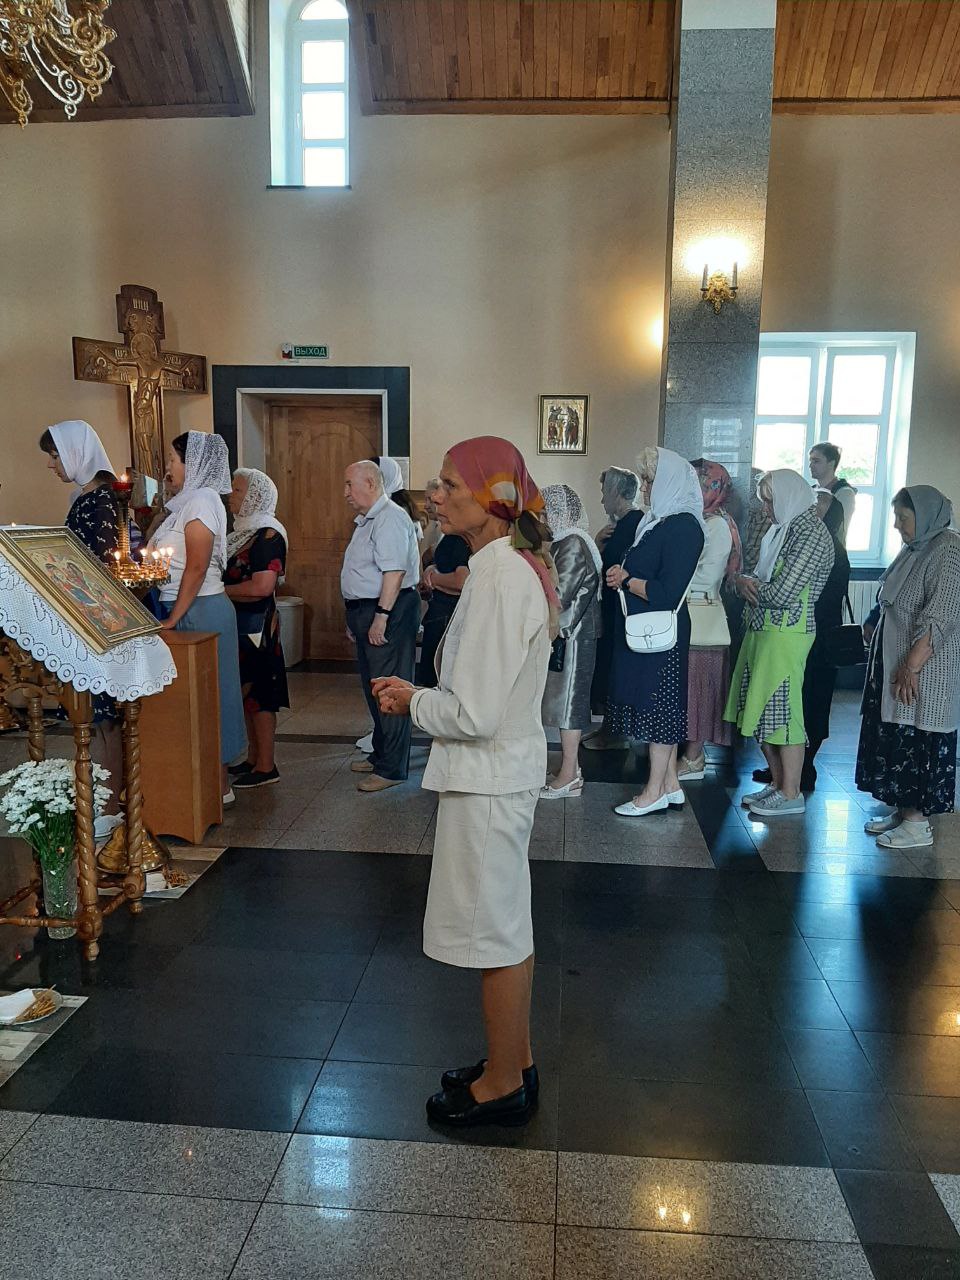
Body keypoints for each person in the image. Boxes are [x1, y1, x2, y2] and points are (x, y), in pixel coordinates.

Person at [372, 436, 557, 1128]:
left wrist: (412, 701)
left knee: (492, 935)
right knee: (505, 925)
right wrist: (424, 694)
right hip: (495, 777)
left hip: (488, 782)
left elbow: (474, 713)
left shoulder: (502, 576)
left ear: (492, 497)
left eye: (450, 484)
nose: (435, 495)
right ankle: (514, 1058)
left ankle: (504, 1084)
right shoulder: (500, 564)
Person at [856, 486, 960, 849]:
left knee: (917, 740)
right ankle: (903, 812)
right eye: (896, 517)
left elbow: (941, 616)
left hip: (924, 674)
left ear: (927, 515)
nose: (897, 525)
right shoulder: (916, 548)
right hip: (897, 667)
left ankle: (917, 824)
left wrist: (912, 666)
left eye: (904, 518)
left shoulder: (947, 549)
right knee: (896, 737)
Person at [605, 447, 706, 817]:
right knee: (657, 705)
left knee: (660, 709)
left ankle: (653, 792)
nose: (645, 487)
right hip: (649, 631)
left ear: (670, 482)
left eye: (650, 480)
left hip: (663, 634)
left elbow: (667, 592)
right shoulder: (660, 522)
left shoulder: (684, 527)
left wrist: (626, 580)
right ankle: (671, 785)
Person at [727, 470, 835, 817]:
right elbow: (758, 580)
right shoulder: (784, 529)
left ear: (788, 498)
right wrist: (744, 583)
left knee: (783, 713)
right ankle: (777, 783)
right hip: (763, 630)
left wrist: (746, 585)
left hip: (787, 634)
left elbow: (783, 593)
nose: (765, 510)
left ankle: (791, 792)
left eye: (770, 502)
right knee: (759, 710)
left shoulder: (810, 533)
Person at [151, 432, 246, 804]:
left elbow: (196, 566)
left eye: (173, 460)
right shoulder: (185, 504)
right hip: (184, 605)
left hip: (200, 608)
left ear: (193, 463)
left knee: (211, 699)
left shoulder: (202, 502)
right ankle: (195, 785)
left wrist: (173, 618)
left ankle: (218, 786)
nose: (168, 468)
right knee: (189, 703)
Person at [39, 420, 124, 836]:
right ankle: (101, 800)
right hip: (85, 621)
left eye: (55, 456)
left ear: (75, 452)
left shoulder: (100, 501)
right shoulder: (87, 498)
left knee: (106, 721)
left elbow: (100, 567)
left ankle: (110, 806)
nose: (52, 465)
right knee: (94, 719)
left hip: (97, 622)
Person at [752, 486, 851, 792]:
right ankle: (783, 777)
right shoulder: (791, 536)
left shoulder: (821, 542)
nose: (809, 512)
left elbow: (789, 594)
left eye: (817, 508)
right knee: (784, 708)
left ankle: (798, 775)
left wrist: (756, 590)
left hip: (815, 638)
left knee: (805, 708)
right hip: (797, 632)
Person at [342, 460, 421, 792]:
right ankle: (381, 754)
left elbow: (394, 572)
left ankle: (392, 769)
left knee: (388, 688)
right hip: (369, 609)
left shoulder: (389, 518)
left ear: (372, 484)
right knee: (373, 686)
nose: (345, 492)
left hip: (388, 609)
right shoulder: (369, 519)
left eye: (350, 484)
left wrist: (380, 616)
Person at [224, 468, 290, 790]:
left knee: (260, 694)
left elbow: (262, 586)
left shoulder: (267, 535)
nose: (230, 496)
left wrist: (220, 591)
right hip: (241, 623)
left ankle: (266, 765)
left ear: (255, 496)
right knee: (246, 692)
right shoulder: (243, 531)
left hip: (257, 627)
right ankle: (253, 757)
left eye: (238, 490)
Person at [678, 460, 741, 781]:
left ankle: (694, 757)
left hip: (701, 614)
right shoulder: (703, 519)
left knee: (700, 691)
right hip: (691, 614)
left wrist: (670, 578)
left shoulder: (716, 525)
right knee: (690, 689)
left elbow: (707, 575)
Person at [540, 483, 602, 798]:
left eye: (546, 512)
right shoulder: (566, 541)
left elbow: (560, 594)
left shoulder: (573, 543)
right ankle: (568, 768)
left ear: (561, 513)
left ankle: (570, 775)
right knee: (564, 703)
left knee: (569, 705)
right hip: (569, 635)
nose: (542, 518)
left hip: (574, 636)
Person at [584, 466, 643, 750]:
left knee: (616, 670)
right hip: (611, 609)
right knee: (608, 668)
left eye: (604, 491)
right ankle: (609, 728)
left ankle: (616, 733)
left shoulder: (634, 523)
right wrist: (597, 542)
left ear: (617, 492)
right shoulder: (619, 525)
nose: (602, 499)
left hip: (622, 611)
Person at [417, 478, 470, 688]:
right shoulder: (450, 533)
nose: (432, 503)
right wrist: (432, 568)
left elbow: (462, 580)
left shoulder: (461, 537)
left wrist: (433, 578)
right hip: (440, 608)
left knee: (436, 675)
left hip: (447, 612)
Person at [809, 442, 857, 544]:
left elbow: (835, 527)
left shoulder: (845, 493)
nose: (810, 466)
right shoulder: (811, 491)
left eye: (816, 461)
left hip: (831, 550)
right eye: (810, 461)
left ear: (831, 463)